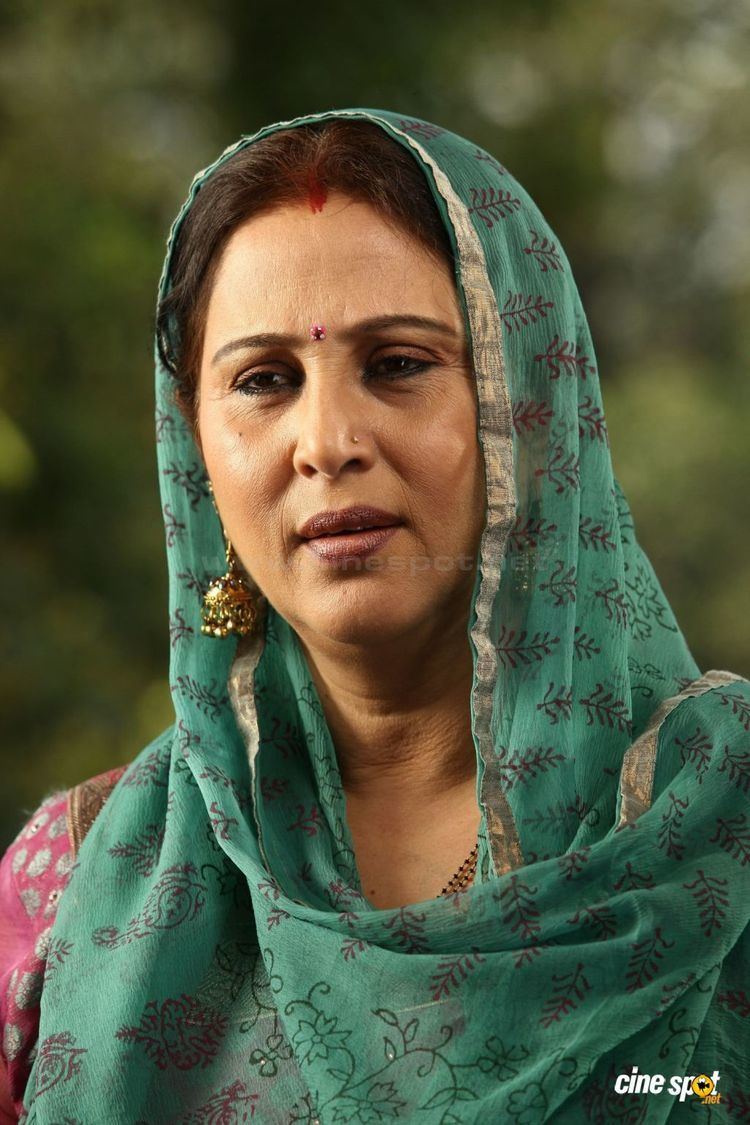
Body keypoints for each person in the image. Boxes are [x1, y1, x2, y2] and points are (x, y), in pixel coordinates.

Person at [1, 108, 748, 1123]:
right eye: (264, 381)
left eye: (398, 363)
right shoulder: (72, 884)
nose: (328, 441)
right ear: (198, 455)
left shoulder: (715, 824)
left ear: (532, 405)